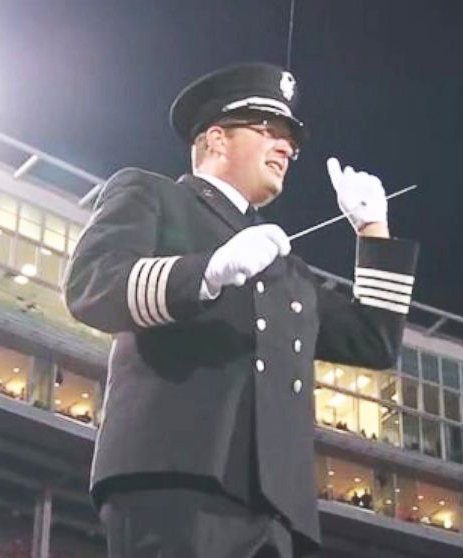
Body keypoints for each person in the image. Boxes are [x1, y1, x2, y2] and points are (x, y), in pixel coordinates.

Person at [64, 62, 419, 558]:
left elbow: (374, 340)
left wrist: (372, 230)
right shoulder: (154, 194)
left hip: (273, 504)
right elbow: (91, 284)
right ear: (216, 139)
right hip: (177, 475)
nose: (286, 148)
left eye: (290, 140)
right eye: (268, 130)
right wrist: (205, 272)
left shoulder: (283, 265)